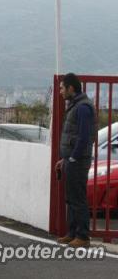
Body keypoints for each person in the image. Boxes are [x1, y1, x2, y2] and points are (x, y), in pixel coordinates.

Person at [55, 73, 95, 248]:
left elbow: (84, 137)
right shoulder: (75, 105)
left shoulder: (83, 107)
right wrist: (65, 159)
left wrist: (72, 157)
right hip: (71, 160)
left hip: (78, 161)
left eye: (63, 88)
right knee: (70, 197)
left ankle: (83, 236)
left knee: (77, 198)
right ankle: (72, 233)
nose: (60, 91)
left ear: (71, 88)